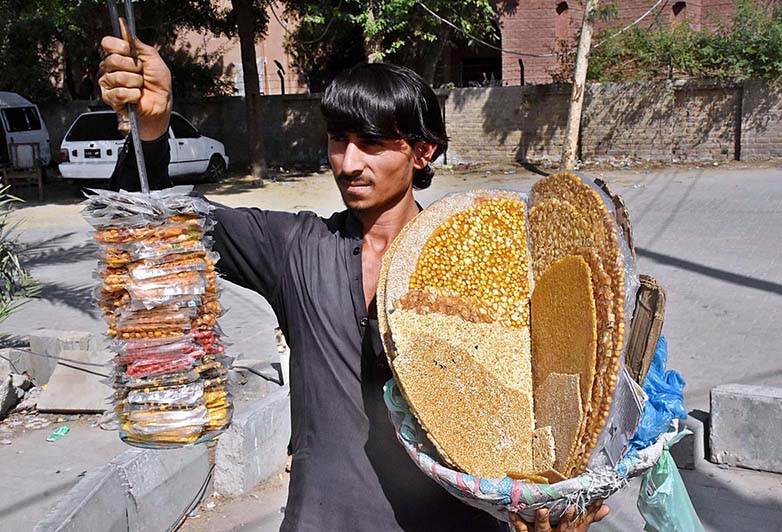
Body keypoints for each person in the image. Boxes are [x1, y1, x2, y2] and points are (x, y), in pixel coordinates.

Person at [99, 33, 610, 532]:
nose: (347, 163)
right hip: (323, 516)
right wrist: (151, 131)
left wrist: (556, 502)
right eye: (338, 140)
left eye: (370, 143)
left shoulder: (490, 271)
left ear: (422, 152)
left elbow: (554, 398)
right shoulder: (296, 250)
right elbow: (154, 220)